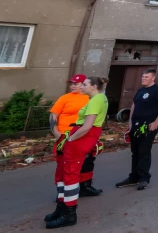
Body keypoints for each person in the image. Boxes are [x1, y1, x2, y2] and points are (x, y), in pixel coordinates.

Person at [45, 76, 109, 229]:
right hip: (77, 136)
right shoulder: (96, 98)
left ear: (93, 86)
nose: (81, 87)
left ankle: (69, 213)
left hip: (79, 137)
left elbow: (87, 126)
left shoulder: (96, 100)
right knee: (62, 172)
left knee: (71, 174)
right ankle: (61, 208)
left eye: (84, 84)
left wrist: (71, 138)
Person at [115, 68, 158, 190]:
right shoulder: (140, 91)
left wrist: (156, 122)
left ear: (153, 78)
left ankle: (144, 178)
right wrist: (130, 122)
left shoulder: (157, 90)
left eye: (146, 77)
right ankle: (133, 177)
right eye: (143, 77)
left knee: (144, 152)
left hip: (148, 126)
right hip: (136, 125)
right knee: (135, 152)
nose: (143, 79)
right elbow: (134, 105)